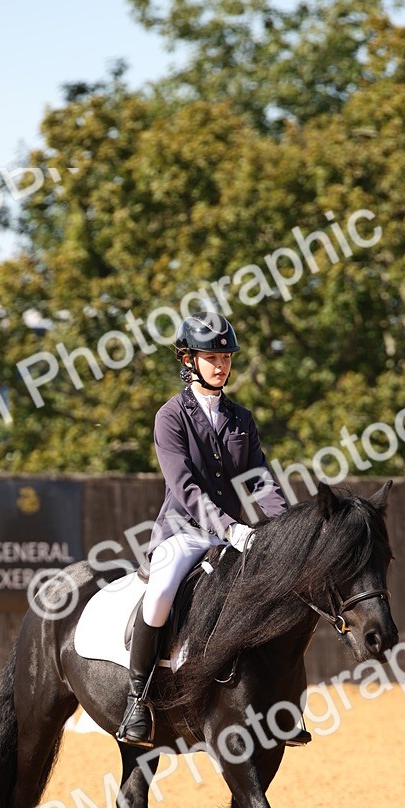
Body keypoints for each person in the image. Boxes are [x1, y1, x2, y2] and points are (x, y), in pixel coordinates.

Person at [117, 310, 305, 748]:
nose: (221, 364)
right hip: (183, 532)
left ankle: (285, 703)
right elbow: (183, 486)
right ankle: (136, 699)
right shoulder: (171, 417)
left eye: (226, 357)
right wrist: (230, 528)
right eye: (210, 356)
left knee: (284, 590)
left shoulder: (241, 419)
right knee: (161, 592)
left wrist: (283, 528)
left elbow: (260, 479)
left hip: (234, 533)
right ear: (188, 360)